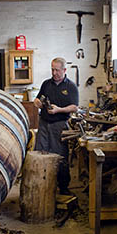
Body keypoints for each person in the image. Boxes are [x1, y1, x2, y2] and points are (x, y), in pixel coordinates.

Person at [34, 57, 79, 194]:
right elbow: (38, 98)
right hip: (44, 124)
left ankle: (63, 187)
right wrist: (37, 102)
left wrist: (59, 110)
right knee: (41, 154)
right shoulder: (46, 84)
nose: (54, 73)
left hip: (59, 125)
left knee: (60, 157)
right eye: (52, 69)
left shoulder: (70, 86)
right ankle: (43, 187)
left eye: (57, 70)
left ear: (64, 70)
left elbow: (74, 107)